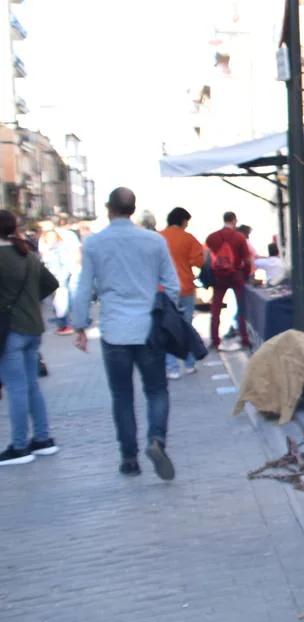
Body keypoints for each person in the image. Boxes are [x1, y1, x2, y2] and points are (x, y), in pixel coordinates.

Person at [70, 188, 180, 479]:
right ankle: (156, 440)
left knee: (121, 396)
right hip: (148, 328)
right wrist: (165, 314)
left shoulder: (94, 243)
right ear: (133, 209)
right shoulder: (154, 241)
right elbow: (173, 285)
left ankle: (129, 458)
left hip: (114, 330)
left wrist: (80, 325)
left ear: (109, 208)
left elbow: (83, 287)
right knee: (156, 390)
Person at [0, 210, 60, 465]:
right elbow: (51, 283)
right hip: (33, 329)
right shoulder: (28, 253)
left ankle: (20, 445)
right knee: (31, 385)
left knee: (16, 388)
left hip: (9, 330)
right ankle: (43, 439)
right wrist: (28, 303)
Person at [160, 207, 206, 379]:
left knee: (168, 328)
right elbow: (200, 261)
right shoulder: (188, 238)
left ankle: (171, 367)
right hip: (185, 286)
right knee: (186, 326)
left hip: (164, 290)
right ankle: (189, 363)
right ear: (183, 220)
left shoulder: (159, 237)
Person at [204, 211, 253, 351]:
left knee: (216, 309)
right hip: (236, 275)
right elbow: (247, 259)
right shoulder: (239, 237)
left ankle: (215, 340)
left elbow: (206, 258)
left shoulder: (212, 237)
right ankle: (244, 339)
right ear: (234, 221)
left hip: (219, 277)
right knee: (241, 308)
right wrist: (245, 274)